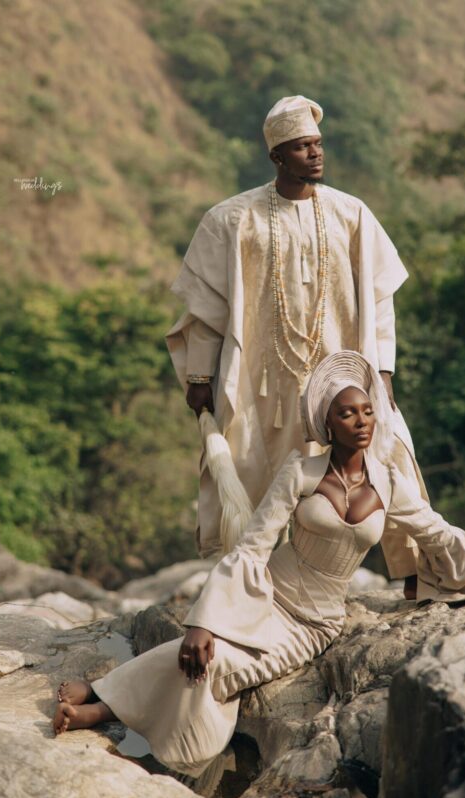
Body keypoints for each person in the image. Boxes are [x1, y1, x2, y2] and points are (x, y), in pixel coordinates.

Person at [52, 351, 465, 777]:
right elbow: (252, 546)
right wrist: (205, 619)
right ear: (327, 423)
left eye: (367, 411)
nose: (361, 421)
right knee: (198, 646)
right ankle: (99, 704)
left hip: (315, 621)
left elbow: (436, 533)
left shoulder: (390, 482)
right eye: (347, 414)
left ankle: (100, 704)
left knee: (217, 667)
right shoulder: (301, 472)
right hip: (267, 591)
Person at [166, 94, 420, 565]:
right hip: (258, 382)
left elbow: (381, 299)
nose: (316, 153)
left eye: (318, 144)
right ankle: (247, 575)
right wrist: (200, 378)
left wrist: (383, 370)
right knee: (252, 470)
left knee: (379, 462)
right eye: (303, 146)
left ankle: (415, 569)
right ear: (277, 156)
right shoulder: (231, 220)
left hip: (338, 377)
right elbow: (207, 312)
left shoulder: (352, 214)